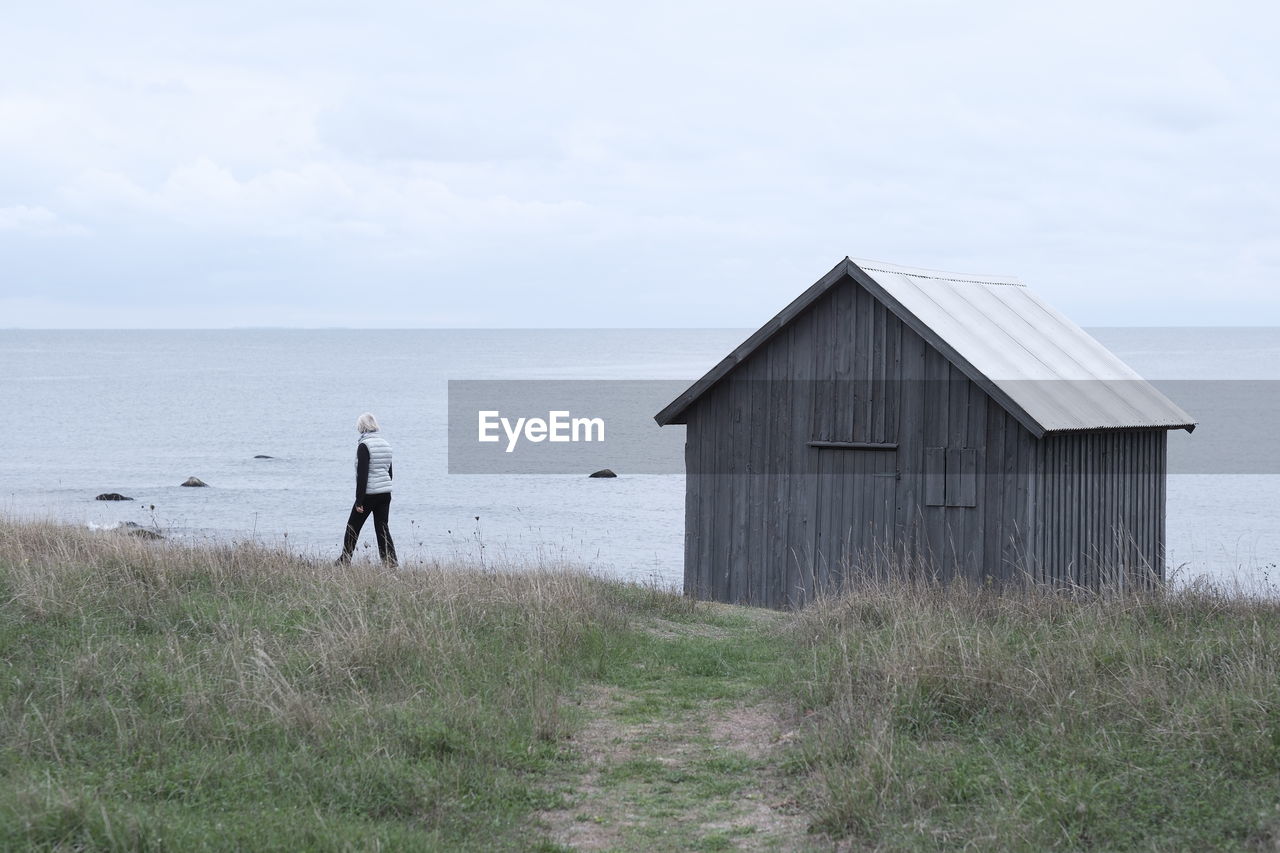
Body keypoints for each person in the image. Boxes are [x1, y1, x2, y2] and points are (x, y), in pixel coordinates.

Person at [337, 412, 398, 566]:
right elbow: (389, 472)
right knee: (382, 528)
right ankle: (390, 562)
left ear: (361, 427)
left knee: (353, 526)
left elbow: (362, 475)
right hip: (385, 493)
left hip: (369, 493)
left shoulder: (364, 445)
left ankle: (345, 560)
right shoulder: (386, 444)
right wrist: (385, 488)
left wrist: (359, 501)